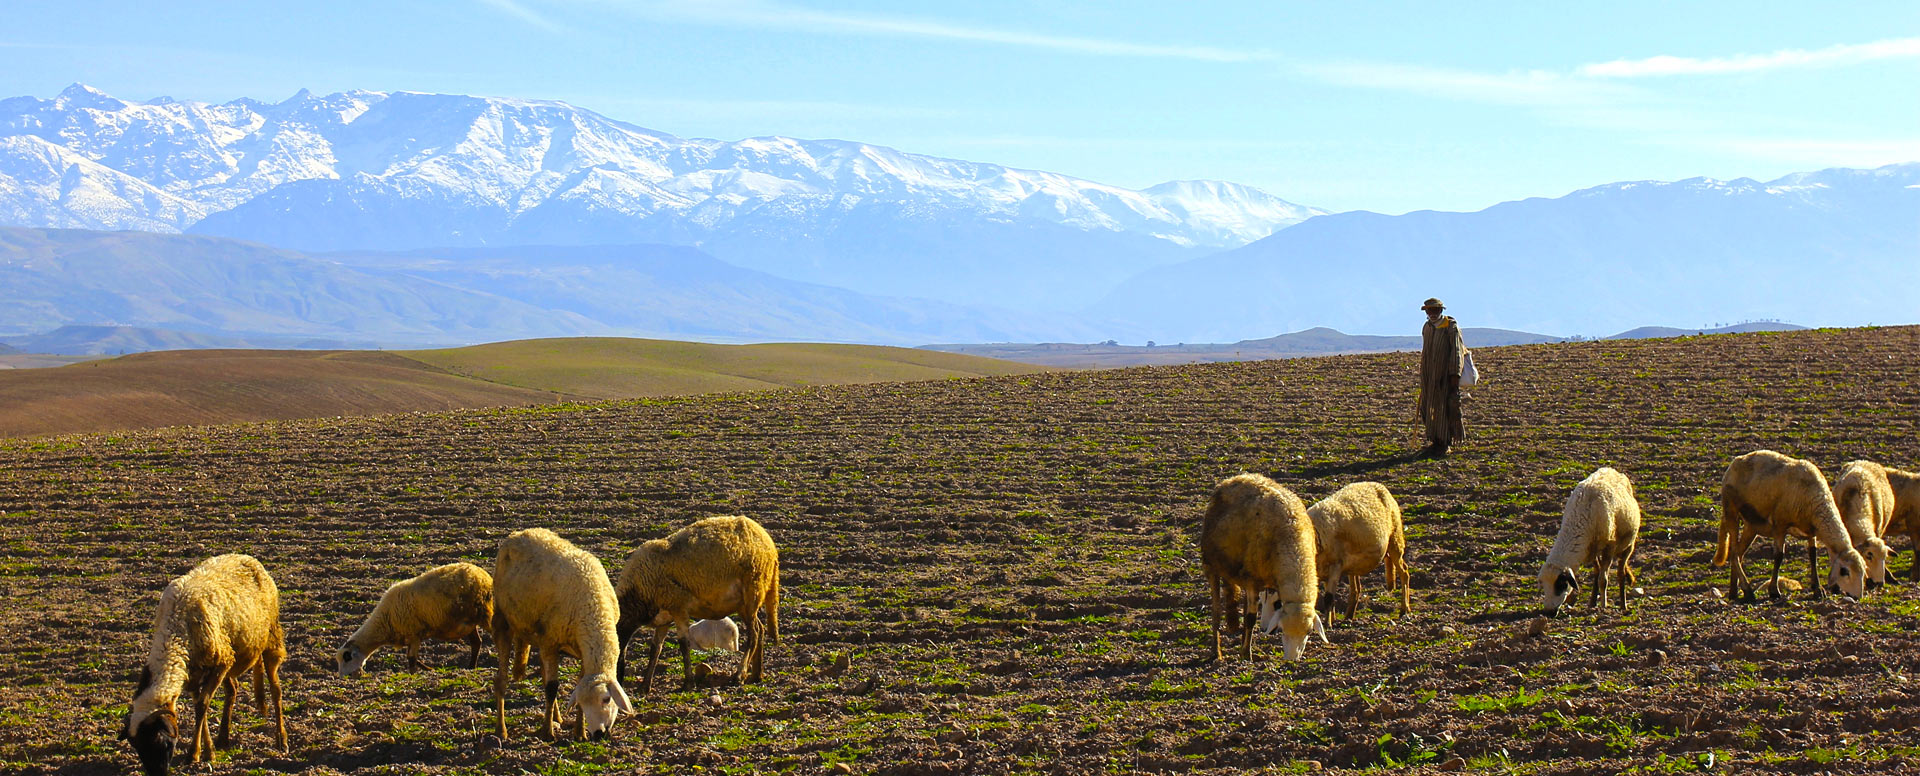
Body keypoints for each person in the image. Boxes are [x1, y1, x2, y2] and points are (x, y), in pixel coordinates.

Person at [1418, 297, 1465, 458]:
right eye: (1429, 310)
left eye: (1435, 310)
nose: (1432, 313)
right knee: (1428, 407)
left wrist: (1454, 374)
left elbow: (1457, 351)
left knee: (1444, 408)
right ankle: (1435, 440)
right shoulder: (1427, 327)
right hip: (1428, 375)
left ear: (1440, 310)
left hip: (1444, 375)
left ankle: (1445, 442)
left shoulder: (1450, 327)